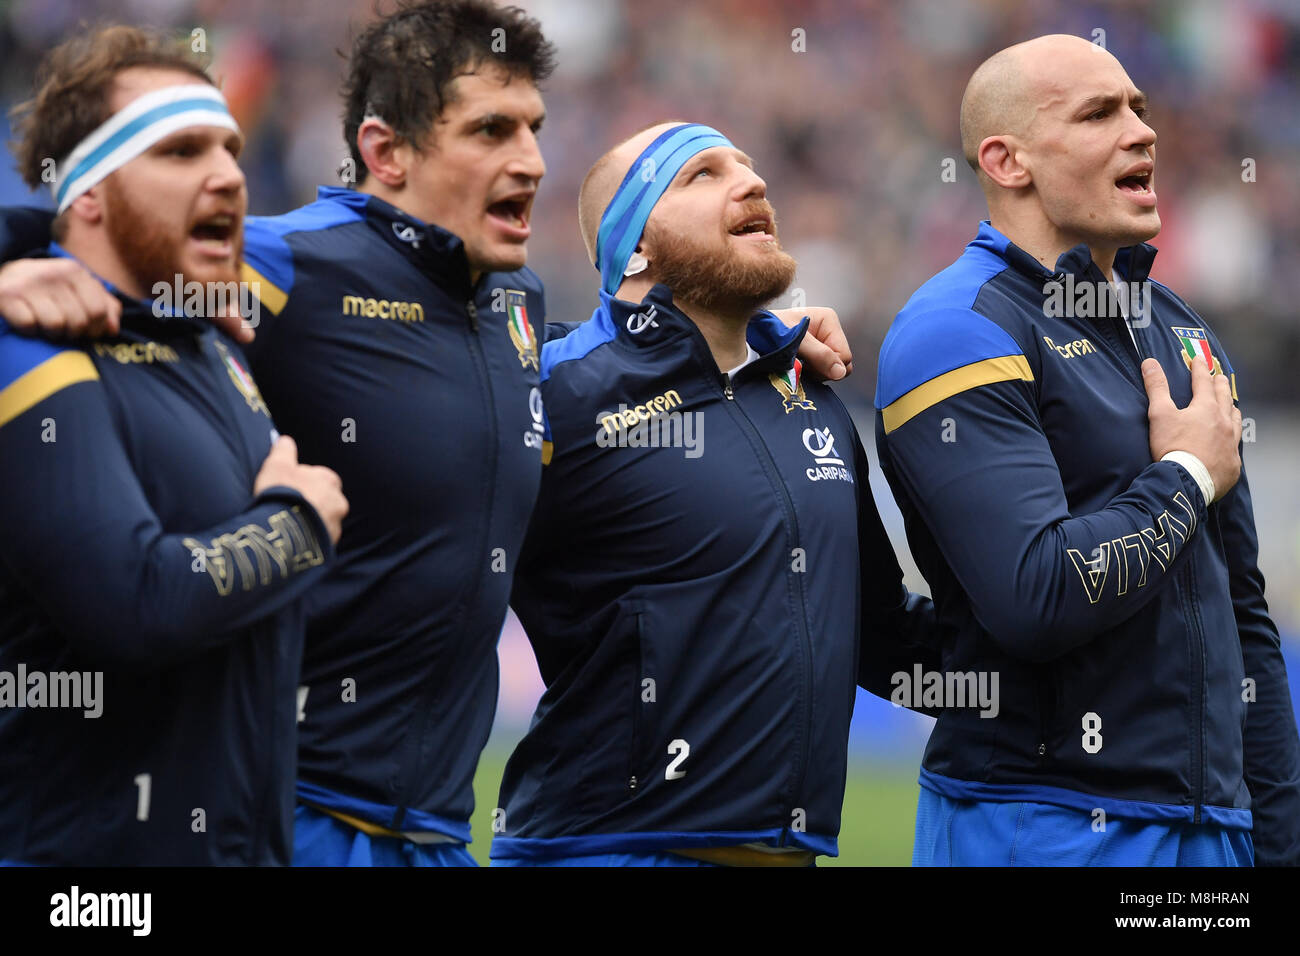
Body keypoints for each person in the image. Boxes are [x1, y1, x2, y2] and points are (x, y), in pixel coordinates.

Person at [0, 1, 853, 867]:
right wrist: (20, 254)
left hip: (438, 833)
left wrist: (757, 347)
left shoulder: (513, 309)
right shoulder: (298, 265)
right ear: (385, 152)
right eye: (491, 130)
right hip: (290, 808)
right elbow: (140, 244)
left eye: (533, 128)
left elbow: (619, 370)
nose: (530, 158)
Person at [874, 34, 1300, 866]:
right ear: (1007, 161)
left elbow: (1244, 620)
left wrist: (1278, 844)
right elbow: (1036, 595)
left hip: (1215, 832)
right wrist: (1182, 477)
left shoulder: (1178, 327)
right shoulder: (957, 329)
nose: (1142, 131)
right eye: (1100, 113)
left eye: (1139, 108)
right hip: (1042, 823)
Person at [490, 122, 936, 867]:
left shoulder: (811, 394)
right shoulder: (559, 389)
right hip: (602, 851)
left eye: (750, 166)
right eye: (702, 173)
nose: (753, 182)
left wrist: (1073, 669)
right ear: (634, 248)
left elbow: (883, 638)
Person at [0, 26, 346, 865]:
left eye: (230, 147)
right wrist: (297, 524)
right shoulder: (26, 350)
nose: (229, 173)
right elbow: (135, 604)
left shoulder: (216, 347)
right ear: (84, 195)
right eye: (182, 151)